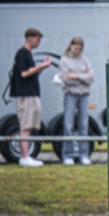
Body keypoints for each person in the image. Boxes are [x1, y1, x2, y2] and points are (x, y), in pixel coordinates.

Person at [10, 28, 51, 167]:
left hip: (32, 94)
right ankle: (24, 157)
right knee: (25, 126)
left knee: (30, 126)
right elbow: (24, 73)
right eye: (38, 39)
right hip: (26, 96)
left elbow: (32, 74)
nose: (39, 42)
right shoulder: (22, 54)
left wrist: (42, 67)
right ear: (30, 38)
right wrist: (42, 65)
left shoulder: (28, 54)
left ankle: (26, 156)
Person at [59, 36, 95, 165]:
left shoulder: (85, 61)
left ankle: (83, 154)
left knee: (83, 125)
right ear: (71, 46)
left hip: (84, 95)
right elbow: (65, 79)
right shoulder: (64, 60)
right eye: (75, 48)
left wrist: (74, 75)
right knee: (68, 125)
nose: (77, 51)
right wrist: (83, 77)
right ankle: (67, 155)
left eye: (79, 49)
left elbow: (91, 79)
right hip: (70, 95)